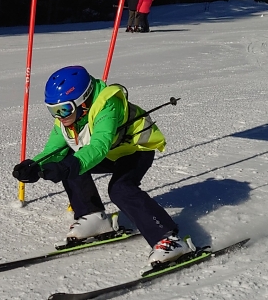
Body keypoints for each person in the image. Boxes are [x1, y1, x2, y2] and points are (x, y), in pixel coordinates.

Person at [11, 65, 193, 267]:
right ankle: (91, 216)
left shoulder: (108, 105)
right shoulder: (67, 120)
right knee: (67, 159)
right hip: (111, 154)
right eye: (53, 110)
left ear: (83, 102)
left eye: (64, 109)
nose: (59, 116)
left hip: (136, 150)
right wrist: (35, 166)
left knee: (120, 189)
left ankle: (168, 239)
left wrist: (67, 167)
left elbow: (99, 145)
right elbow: (54, 150)